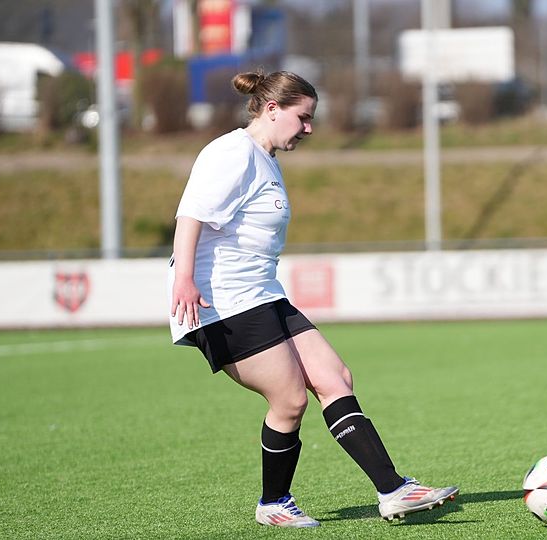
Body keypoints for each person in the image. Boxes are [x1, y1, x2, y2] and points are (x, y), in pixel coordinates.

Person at [168, 69, 458, 528]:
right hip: (223, 303)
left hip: (263, 295)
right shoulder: (232, 152)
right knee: (289, 400)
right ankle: (273, 504)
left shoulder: (265, 159)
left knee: (334, 377)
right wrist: (184, 279)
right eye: (302, 117)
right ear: (272, 109)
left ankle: (393, 490)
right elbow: (190, 216)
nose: (308, 128)